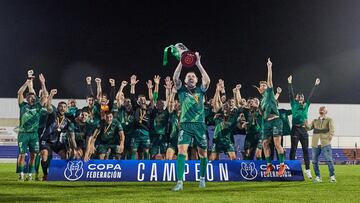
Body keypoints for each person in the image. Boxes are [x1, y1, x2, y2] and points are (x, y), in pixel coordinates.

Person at [172, 52, 210, 191]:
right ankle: (180, 182)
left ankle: (202, 179)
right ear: (185, 80)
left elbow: (207, 80)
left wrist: (198, 64)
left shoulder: (201, 90)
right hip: (185, 125)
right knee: (182, 151)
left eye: (193, 76)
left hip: (199, 124)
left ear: (196, 80)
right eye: (189, 76)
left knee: (203, 154)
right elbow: (175, 77)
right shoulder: (181, 90)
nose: (191, 78)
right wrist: (182, 62)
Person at [17, 71, 48, 181]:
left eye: (33, 96)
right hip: (23, 134)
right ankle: (21, 174)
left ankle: (30, 175)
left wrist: (43, 83)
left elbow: (45, 96)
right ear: (27, 98)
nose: (32, 97)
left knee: (34, 155)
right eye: (30, 96)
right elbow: (19, 93)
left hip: (34, 135)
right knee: (22, 155)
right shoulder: (22, 106)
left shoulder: (38, 107)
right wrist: (27, 82)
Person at [288, 75, 320, 179]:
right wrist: (289, 84)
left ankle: (307, 170)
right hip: (295, 129)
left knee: (305, 150)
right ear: (297, 98)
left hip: (303, 129)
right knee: (293, 149)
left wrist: (315, 86)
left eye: (302, 96)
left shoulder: (306, 105)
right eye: (299, 96)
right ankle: (291, 170)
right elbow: (290, 94)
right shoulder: (293, 104)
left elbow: (311, 96)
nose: (301, 97)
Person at [258, 58, 286, 176]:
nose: (264, 86)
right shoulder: (261, 100)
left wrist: (269, 67)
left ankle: (282, 165)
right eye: (262, 85)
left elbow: (270, 81)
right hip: (267, 123)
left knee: (276, 144)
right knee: (265, 143)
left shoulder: (269, 93)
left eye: (265, 84)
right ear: (260, 89)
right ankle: (269, 165)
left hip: (275, 121)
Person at [306, 106, 336, 183]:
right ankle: (318, 177)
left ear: (326, 111)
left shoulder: (329, 120)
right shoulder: (315, 121)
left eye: (323, 110)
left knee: (329, 160)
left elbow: (332, 129)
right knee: (314, 161)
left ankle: (332, 176)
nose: (321, 111)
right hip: (315, 144)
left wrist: (331, 135)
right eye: (320, 110)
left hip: (325, 143)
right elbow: (309, 128)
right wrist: (305, 122)